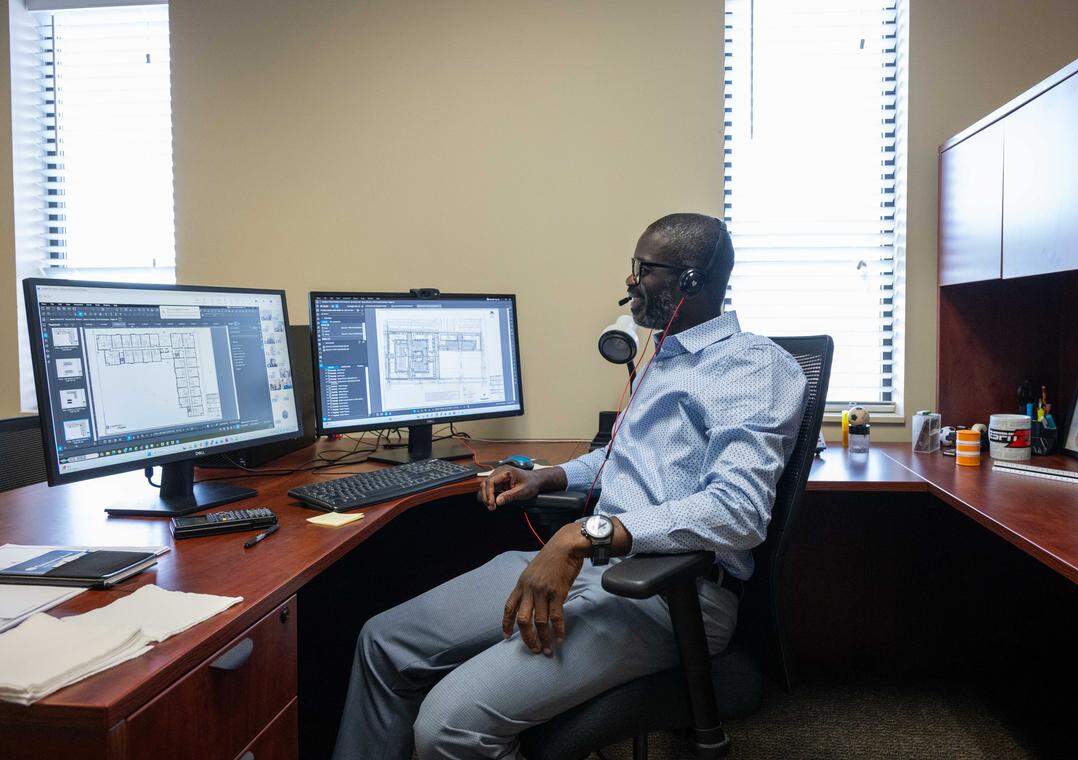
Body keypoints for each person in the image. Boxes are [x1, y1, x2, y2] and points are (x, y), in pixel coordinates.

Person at [332, 212, 809, 760]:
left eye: (643, 268)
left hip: (666, 592)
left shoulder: (751, 366)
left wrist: (586, 533)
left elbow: (738, 511)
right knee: (384, 642)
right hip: (594, 564)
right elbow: (625, 457)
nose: (631, 281)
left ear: (689, 282)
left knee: (448, 726)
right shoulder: (665, 356)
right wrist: (547, 476)